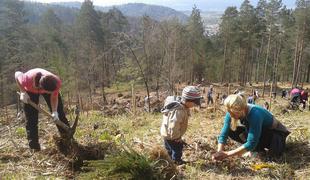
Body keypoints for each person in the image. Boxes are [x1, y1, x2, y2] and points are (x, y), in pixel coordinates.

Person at [212, 94, 290, 161]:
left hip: (276, 137)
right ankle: (257, 150)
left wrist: (227, 154)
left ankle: (256, 151)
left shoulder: (255, 114)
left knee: (252, 137)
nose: (231, 115)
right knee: (231, 130)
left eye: (233, 113)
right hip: (259, 133)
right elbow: (224, 133)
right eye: (229, 112)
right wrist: (219, 151)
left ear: (241, 110)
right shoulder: (231, 111)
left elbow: (251, 143)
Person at [15, 68, 70, 151]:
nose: (50, 94)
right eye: (49, 92)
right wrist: (23, 91)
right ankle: (34, 147)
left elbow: (54, 96)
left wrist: (55, 112)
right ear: (42, 88)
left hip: (46, 86)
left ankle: (68, 141)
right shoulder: (26, 80)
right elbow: (17, 74)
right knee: (31, 119)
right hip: (30, 90)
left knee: (60, 115)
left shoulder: (55, 82)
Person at [160, 86, 202, 165]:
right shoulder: (179, 110)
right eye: (194, 103)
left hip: (166, 133)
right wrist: (177, 137)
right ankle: (177, 161)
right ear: (188, 101)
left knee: (169, 148)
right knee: (178, 148)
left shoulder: (181, 105)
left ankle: (170, 161)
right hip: (172, 135)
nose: (195, 105)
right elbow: (173, 125)